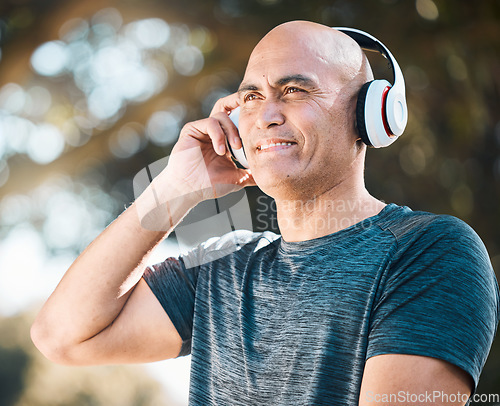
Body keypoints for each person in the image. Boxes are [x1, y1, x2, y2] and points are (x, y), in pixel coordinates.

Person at [31, 21, 499, 405]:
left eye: (294, 90)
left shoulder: (431, 252)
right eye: (250, 96)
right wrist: (176, 189)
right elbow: (63, 336)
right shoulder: (219, 271)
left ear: (371, 117)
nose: (265, 114)